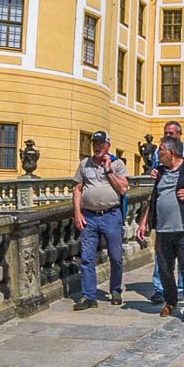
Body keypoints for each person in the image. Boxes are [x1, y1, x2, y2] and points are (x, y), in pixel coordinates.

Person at [130, 125, 184, 326]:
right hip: (163, 229)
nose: (157, 155)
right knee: (164, 268)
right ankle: (170, 302)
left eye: (160, 151)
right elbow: (155, 198)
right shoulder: (160, 172)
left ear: (170, 152)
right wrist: (144, 223)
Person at [69, 130, 129, 310]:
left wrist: (108, 169)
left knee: (116, 256)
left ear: (107, 146)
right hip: (89, 217)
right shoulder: (84, 164)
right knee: (87, 258)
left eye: (100, 144)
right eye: (94, 143)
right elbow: (77, 189)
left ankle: (116, 290)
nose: (96, 146)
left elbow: (123, 189)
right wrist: (77, 213)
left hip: (111, 215)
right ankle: (89, 296)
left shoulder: (117, 164)